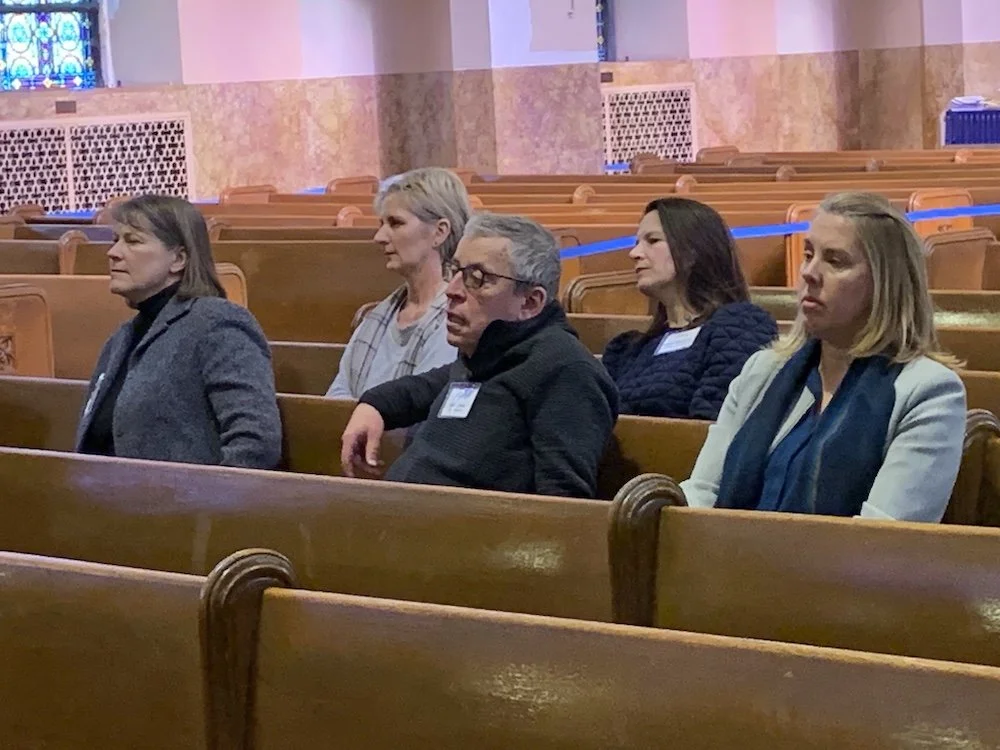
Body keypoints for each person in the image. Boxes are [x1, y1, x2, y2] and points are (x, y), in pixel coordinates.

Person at [680, 192, 966, 522]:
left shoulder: (929, 392)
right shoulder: (763, 371)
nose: (809, 274)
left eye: (836, 261)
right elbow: (702, 493)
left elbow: (885, 540)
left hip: (838, 571)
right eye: (808, 254)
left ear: (885, 283)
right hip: (722, 561)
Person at [340, 212, 620, 499]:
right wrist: (373, 406)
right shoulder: (488, 352)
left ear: (530, 301)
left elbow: (564, 507)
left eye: (478, 278)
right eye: (455, 271)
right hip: (402, 520)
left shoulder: (565, 371)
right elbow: (426, 386)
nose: (452, 290)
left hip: (458, 537)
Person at [75, 194, 282, 469]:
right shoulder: (122, 337)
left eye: (133, 241)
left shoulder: (217, 323)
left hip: (186, 507)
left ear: (179, 259)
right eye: (115, 240)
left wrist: (204, 508)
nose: (113, 252)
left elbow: (255, 443)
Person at [602, 197, 777, 419]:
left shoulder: (740, 326)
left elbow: (713, 426)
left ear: (692, 252)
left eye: (652, 241)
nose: (634, 253)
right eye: (637, 242)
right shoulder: (626, 350)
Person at [325, 167, 469, 399]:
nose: (379, 237)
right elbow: (337, 394)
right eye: (382, 223)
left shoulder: (456, 320)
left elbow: (423, 408)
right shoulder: (377, 316)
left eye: (395, 223)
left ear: (439, 232)